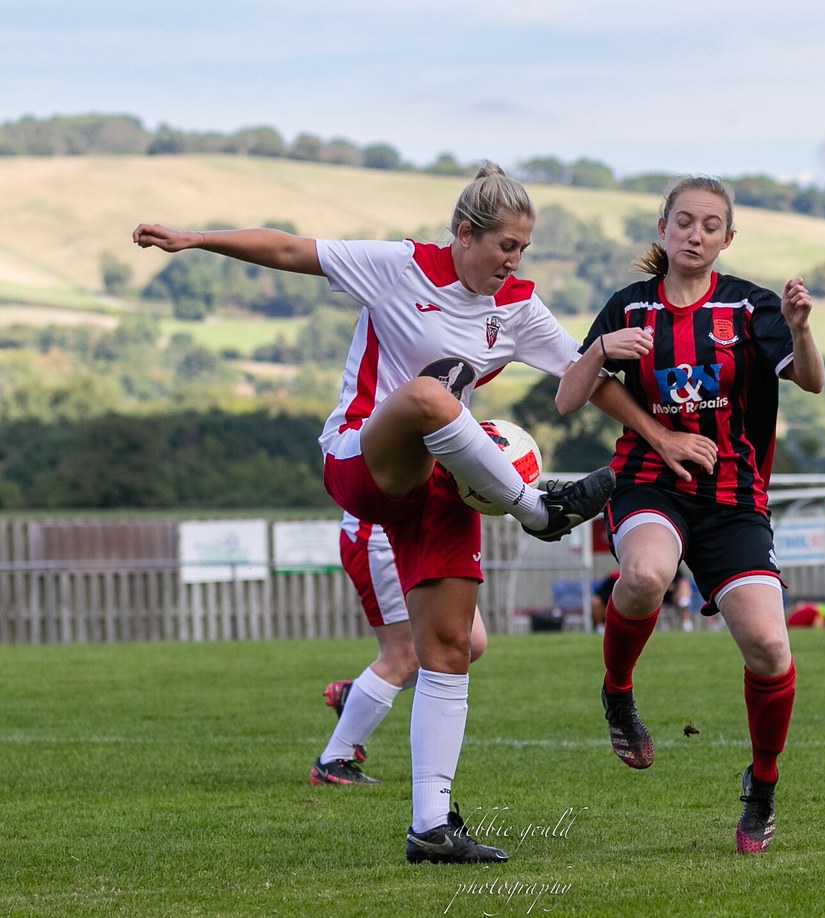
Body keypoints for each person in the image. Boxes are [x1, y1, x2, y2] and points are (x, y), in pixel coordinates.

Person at [134, 164, 628, 865]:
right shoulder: (398, 267)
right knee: (431, 399)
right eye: (505, 246)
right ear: (463, 234)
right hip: (363, 462)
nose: (515, 260)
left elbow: (586, 375)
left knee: (451, 649)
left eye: (524, 248)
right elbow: (287, 249)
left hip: (439, 483)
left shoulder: (517, 305)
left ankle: (431, 826)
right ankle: (535, 507)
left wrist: (660, 435)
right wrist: (195, 239)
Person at [555, 174, 825, 854]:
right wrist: (598, 353)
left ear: (726, 239)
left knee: (769, 647)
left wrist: (799, 328)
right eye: (684, 222)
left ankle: (761, 788)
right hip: (651, 481)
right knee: (645, 574)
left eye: (710, 225)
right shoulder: (629, 307)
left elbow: (812, 380)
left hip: (733, 498)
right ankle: (618, 691)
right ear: (662, 230)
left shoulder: (749, 308)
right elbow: (569, 398)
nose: (695, 234)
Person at [311, 514, 489, 787]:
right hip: (384, 537)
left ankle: (356, 695)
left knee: (470, 643)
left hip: (433, 530)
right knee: (405, 656)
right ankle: (333, 761)